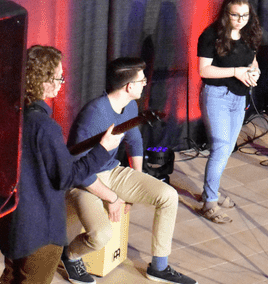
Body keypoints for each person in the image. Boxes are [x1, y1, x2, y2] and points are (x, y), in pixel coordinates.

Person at [0, 45, 123, 284]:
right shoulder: (45, 126)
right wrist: (102, 151)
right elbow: (66, 177)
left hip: (10, 224)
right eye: (59, 77)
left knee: (10, 279)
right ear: (43, 81)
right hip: (39, 232)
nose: (62, 83)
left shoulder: (8, 115)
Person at [62, 57, 196, 284]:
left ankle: (159, 267)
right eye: (142, 80)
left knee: (168, 195)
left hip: (112, 172)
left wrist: (139, 180)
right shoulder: (94, 114)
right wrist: (113, 198)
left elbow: (134, 141)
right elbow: (79, 171)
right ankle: (71, 256)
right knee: (101, 235)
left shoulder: (130, 106)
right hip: (84, 181)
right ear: (129, 86)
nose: (145, 83)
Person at [196, 0, 263, 223]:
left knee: (228, 147)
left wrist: (255, 71)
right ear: (226, 14)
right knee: (221, 147)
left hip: (239, 97)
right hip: (217, 96)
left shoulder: (249, 34)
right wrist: (235, 72)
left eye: (245, 15)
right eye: (236, 15)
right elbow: (204, 71)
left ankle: (209, 192)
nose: (241, 20)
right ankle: (210, 202)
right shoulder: (210, 35)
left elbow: (252, 61)